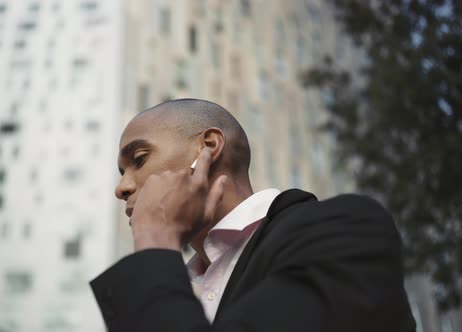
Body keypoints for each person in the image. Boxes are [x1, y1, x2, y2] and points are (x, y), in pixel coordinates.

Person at [90, 98, 416, 332]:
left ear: (208, 147)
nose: (121, 187)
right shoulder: (175, 286)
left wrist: (155, 241)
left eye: (140, 159)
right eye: (122, 172)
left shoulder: (347, 230)